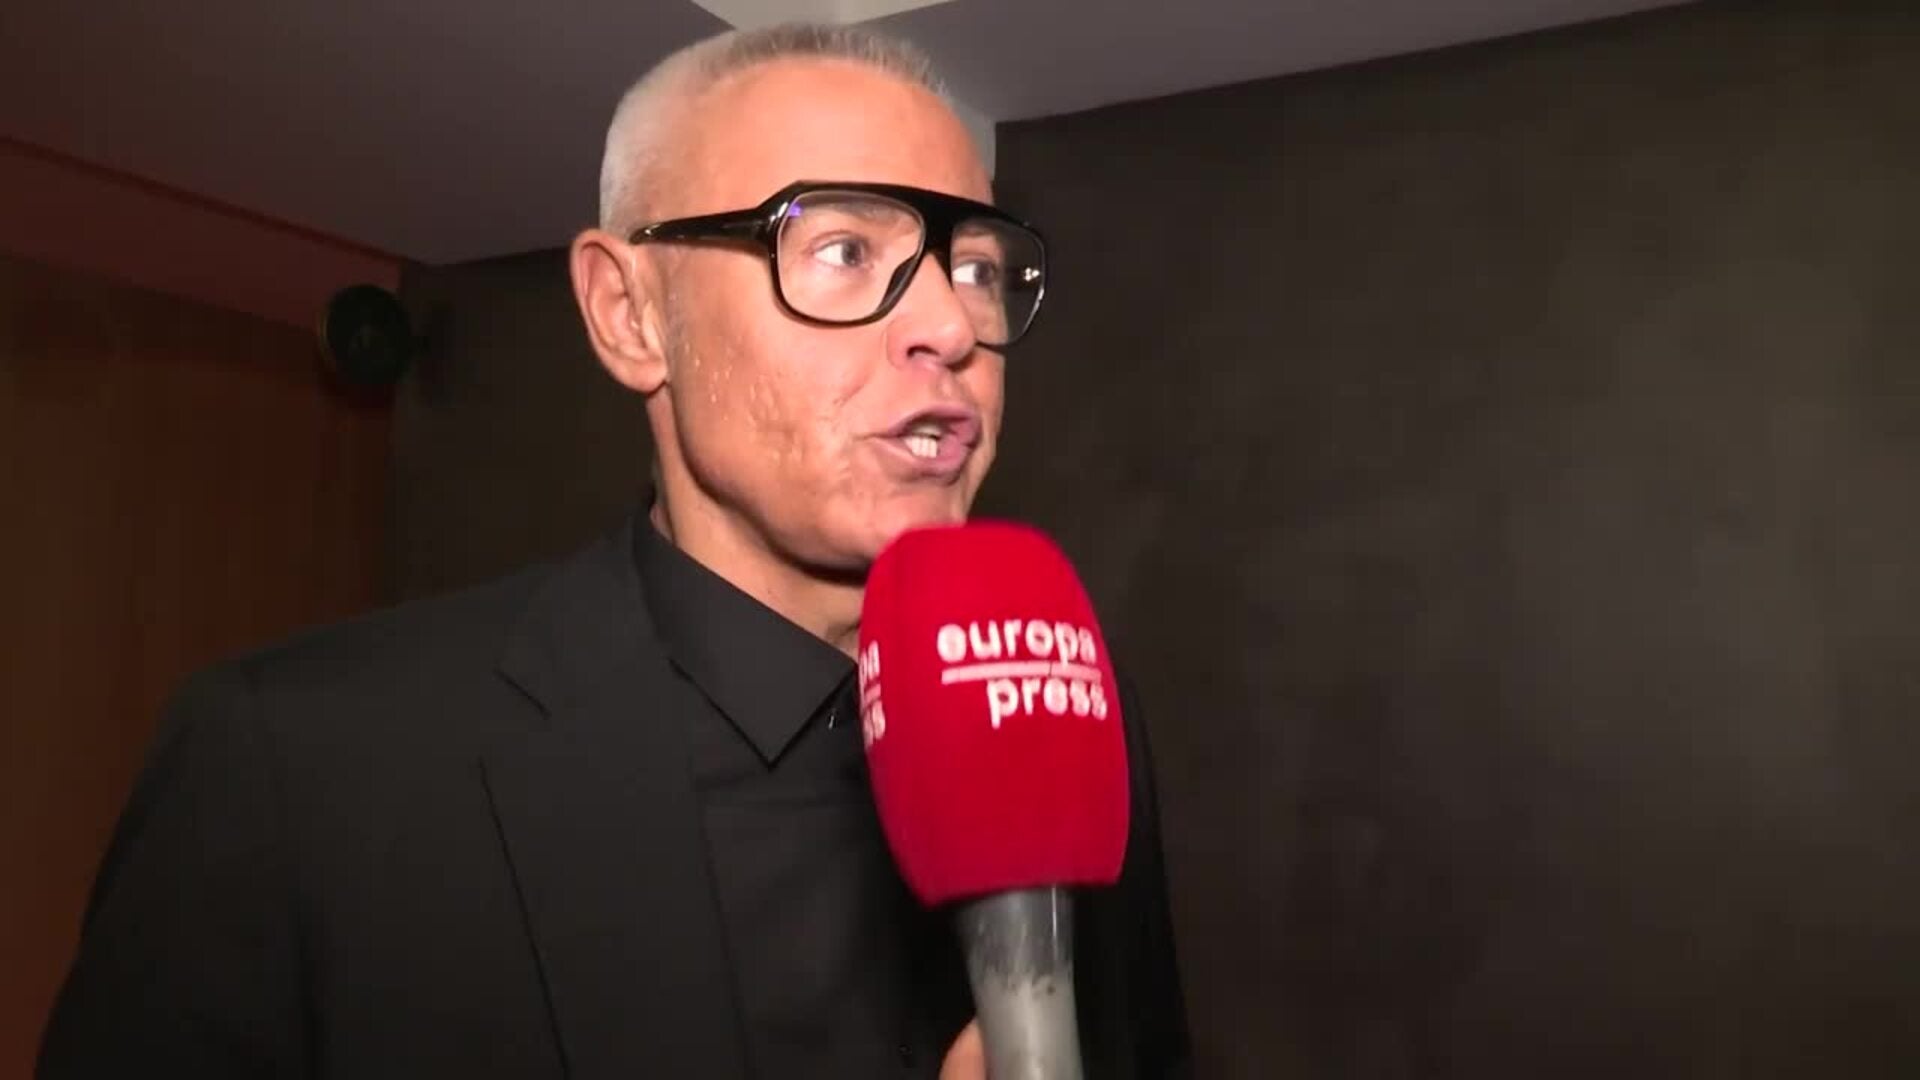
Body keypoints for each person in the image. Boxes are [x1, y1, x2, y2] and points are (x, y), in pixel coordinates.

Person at [37, 22, 1191, 1079]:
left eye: (978, 269)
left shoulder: (1072, 718)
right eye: (843, 248)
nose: (949, 325)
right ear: (631, 315)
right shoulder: (294, 769)